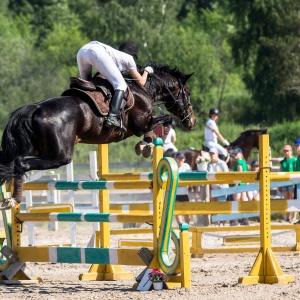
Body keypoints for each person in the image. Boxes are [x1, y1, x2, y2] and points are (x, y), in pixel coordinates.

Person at [77, 40, 153, 131]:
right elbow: (141, 82)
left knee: (87, 83)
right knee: (121, 85)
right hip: (96, 51)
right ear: (132, 54)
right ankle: (112, 117)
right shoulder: (129, 58)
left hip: (82, 51)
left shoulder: (116, 55)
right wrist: (147, 71)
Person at [207, 147, 229, 226]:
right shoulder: (208, 164)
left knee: (221, 204)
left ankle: (222, 221)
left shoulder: (222, 163)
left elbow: (227, 174)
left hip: (221, 186)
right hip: (213, 187)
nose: (212, 155)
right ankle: (217, 221)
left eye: (213, 154)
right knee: (215, 204)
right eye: (210, 154)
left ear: (217, 154)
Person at [232, 147, 249, 226]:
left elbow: (239, 174)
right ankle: (245, 219)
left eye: (236, 153)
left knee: (236, 201)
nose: (234, 155)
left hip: (239, 184)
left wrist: (235, 186)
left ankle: (235, 220)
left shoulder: (239, 162)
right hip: (244, 184)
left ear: (240, 154)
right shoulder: (243, 162)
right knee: (243, 201)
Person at [280, 145, 297, 223]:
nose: (286, 152)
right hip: (284, 182)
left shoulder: (294, 160)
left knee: (293, 199)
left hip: (292, 182)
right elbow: (280, 172)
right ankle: (287, 217)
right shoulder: (282, 162)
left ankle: (294, 216)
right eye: (285, 151)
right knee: (286, 199)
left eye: (287, 151)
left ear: (291, 151)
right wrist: (279, 184)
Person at [174, 152, 192, 226]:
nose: (180, 160)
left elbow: (190, 177)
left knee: (187, 211)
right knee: (177, 211)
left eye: (182, 158)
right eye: (179, 158)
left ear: (184, 159)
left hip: (184, 192)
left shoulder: (186, 166)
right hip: (176, 192)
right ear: (176, 159)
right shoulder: (173, 166)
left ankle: (186, 225)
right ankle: (180, 226)